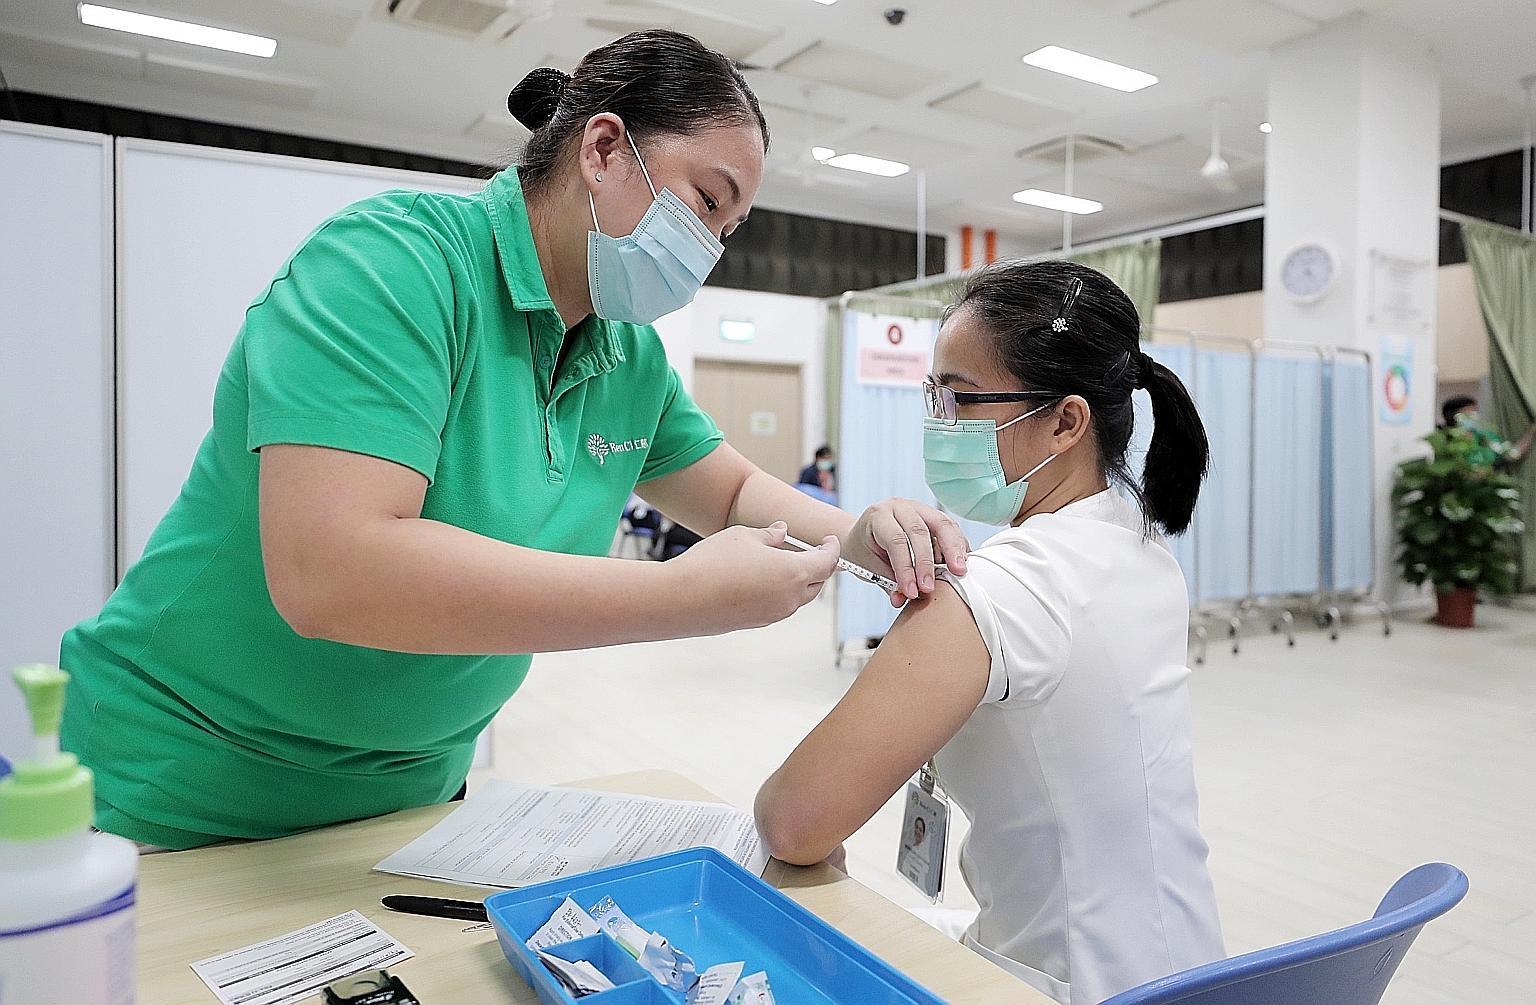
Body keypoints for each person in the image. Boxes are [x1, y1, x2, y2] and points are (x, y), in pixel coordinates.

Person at [59, 30, 968, 851]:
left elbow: (727, 493)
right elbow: (332, 571)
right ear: (604, 148)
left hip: (408, 794)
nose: (708, 250)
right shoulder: (397, 266)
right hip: (184, 787)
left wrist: (853, 536)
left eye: (728, 233)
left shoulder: (624, 355)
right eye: (704, 203)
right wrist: (679, 597)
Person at [755, 261, 1225, 1005]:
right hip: (1186, 969)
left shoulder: (996, 592)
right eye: (933, 395)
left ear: (1067, 421)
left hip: (1069, 985)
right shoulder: (1136, 543)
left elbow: (792, 820)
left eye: (962, 399)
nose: (939, 423)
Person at [1440, 395, 1534, 469]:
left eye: (1475, 411)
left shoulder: (1485, 436)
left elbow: (1513, 453)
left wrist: (1531, 432)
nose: (1474, 416)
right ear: (1455, 417)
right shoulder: (1446, 443)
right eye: (1469, 413)